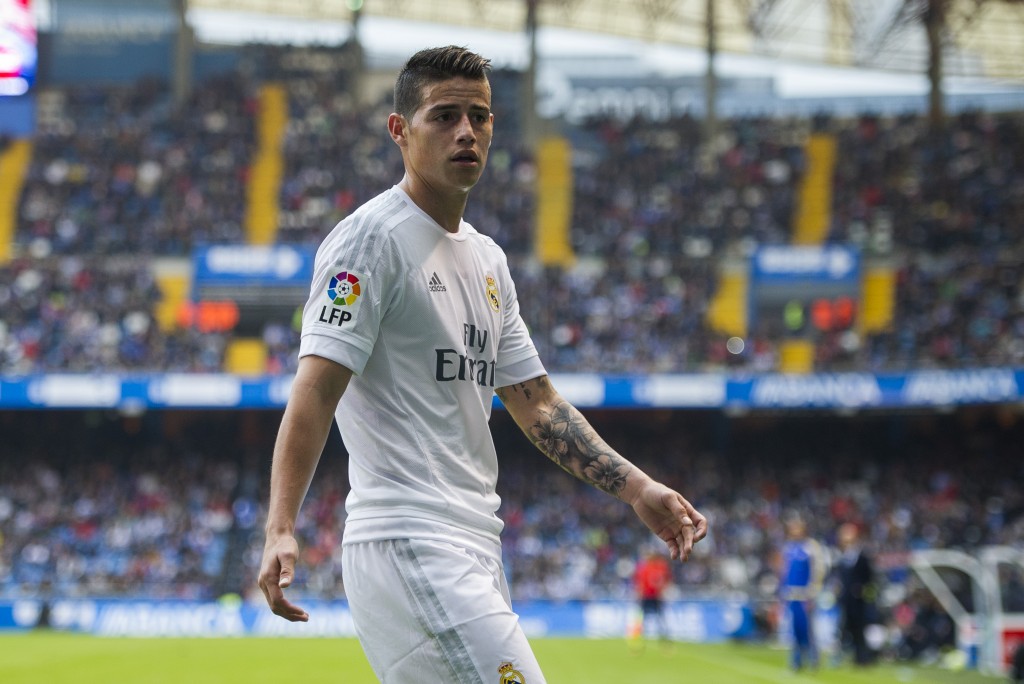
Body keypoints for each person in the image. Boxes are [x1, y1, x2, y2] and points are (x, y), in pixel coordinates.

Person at [257, 45, 708, 683]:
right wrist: (280, 526)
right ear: (399, 130)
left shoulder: (488, 260)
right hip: (410, 537)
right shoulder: (370, 240)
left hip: (475, 542)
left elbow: (537, 402)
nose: (466, 131)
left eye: (479, 116)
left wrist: (637, 488)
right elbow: (314, 390)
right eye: (444, 116)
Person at [778, 516, 825, 671]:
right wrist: (783, 590)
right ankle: (796, 661)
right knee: (795, 629)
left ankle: (813, 659)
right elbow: (785, 571)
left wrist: (812, 591)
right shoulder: (788, 547)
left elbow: (818, 571)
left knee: (808, 629)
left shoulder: (811, 547)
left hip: (805, 595)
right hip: (792, 594)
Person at [836, 521, 876, 666]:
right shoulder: (844, 556)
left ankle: (862, 657)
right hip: (846, 599)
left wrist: (861, 590)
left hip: (858, 601)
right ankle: (850, 656)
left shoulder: (862, 556)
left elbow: (869, 578)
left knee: (859, 629)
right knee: (846, 629)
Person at [629, 549, 673, 648]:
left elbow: (665, 580)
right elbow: (640, 583)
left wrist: (663, 591)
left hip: (654, 597)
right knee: (646, 619)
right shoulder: (648, 568)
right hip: (648, 596)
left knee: (660, 619)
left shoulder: (656, 567)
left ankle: (663, 640)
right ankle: (641, 639)